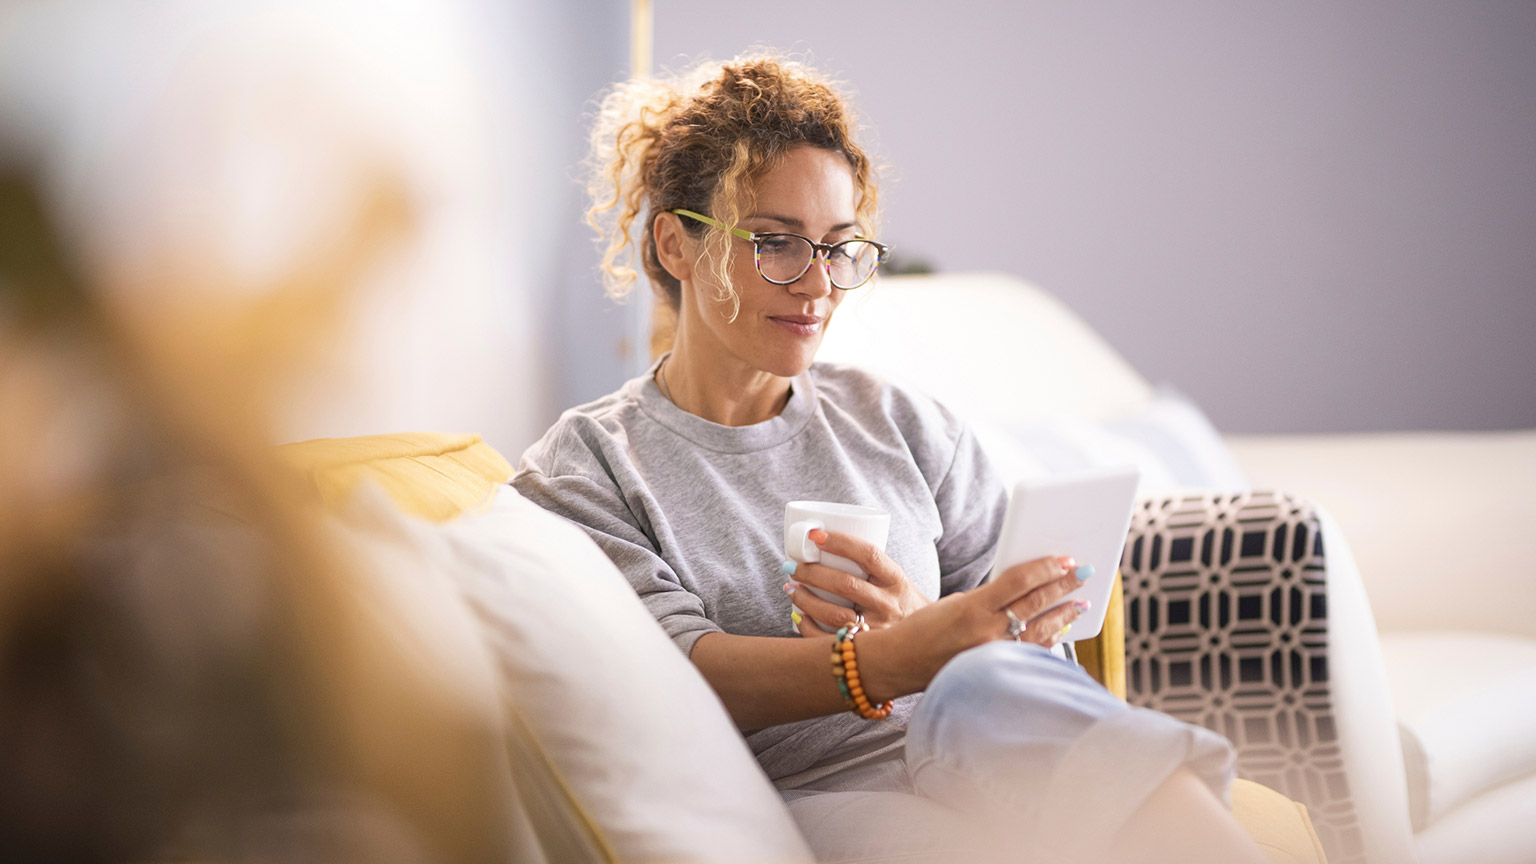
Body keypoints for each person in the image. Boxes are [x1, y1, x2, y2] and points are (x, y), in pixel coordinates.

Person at [513, 54, 1264, 863]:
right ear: (675, 244)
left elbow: (1032, 672)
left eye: (838, 248)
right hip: (818, 797)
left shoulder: (900, 421)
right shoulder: (589, 464)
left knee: (988, 684)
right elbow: (679, 672)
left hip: (982, 756)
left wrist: (938, 630)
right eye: (774, 243)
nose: (817, 285)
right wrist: (895, 656)